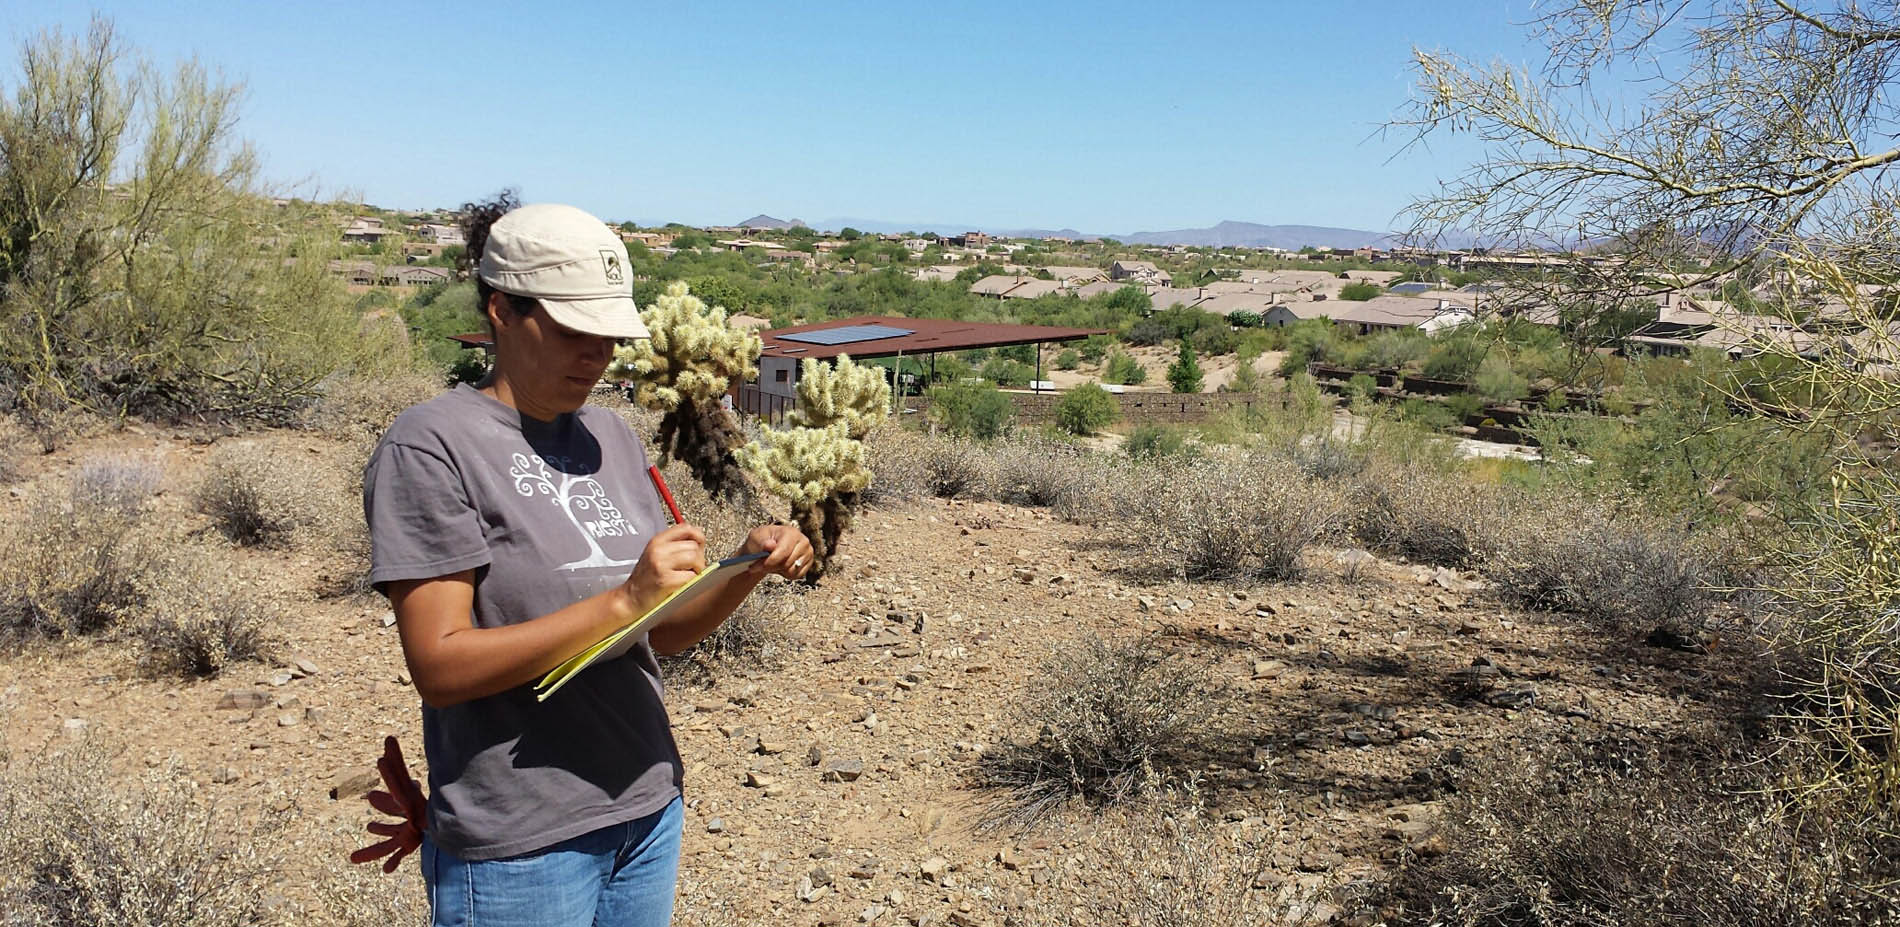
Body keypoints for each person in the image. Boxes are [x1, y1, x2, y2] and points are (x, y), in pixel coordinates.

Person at [360, 195, 812, 927]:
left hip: (644, 804)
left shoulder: (610, 435)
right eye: (574, 329)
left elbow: (659, 631)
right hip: (520, 839)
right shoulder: (433, 445)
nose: (597, 354)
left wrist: (742, 568)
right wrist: (624, 601)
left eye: (607, 333)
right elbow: (440, 666)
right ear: (503, 310)